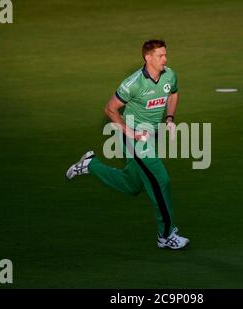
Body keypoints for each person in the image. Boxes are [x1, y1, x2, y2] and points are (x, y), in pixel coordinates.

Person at [66, 40, 189, 249]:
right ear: (147, 58)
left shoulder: (169, 75)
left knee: (132, 185)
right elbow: (110, 109)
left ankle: (90, 165)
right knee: (161, 181)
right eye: (160, 56)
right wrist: (131, 132)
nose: (165, 59)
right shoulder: (133, 83)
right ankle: (166, 234)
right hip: (133, 139)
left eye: (165, 55)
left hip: (150, 137)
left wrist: (169, 119)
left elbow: (174, 93)